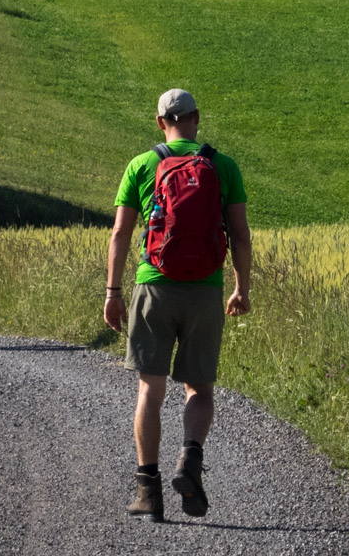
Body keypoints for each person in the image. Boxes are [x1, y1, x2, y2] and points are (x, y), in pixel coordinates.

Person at [104, 88, 251, 522]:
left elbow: (120, 234)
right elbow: (239, 235)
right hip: (205, 291)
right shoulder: (223, 167)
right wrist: (241, 288)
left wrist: (113, 292)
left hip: (154, 286)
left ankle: (147, 489)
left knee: (151, 387)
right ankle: (189, 458)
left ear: (159, 121)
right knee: (199, 389)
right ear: (197, 117)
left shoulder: (142, 164)